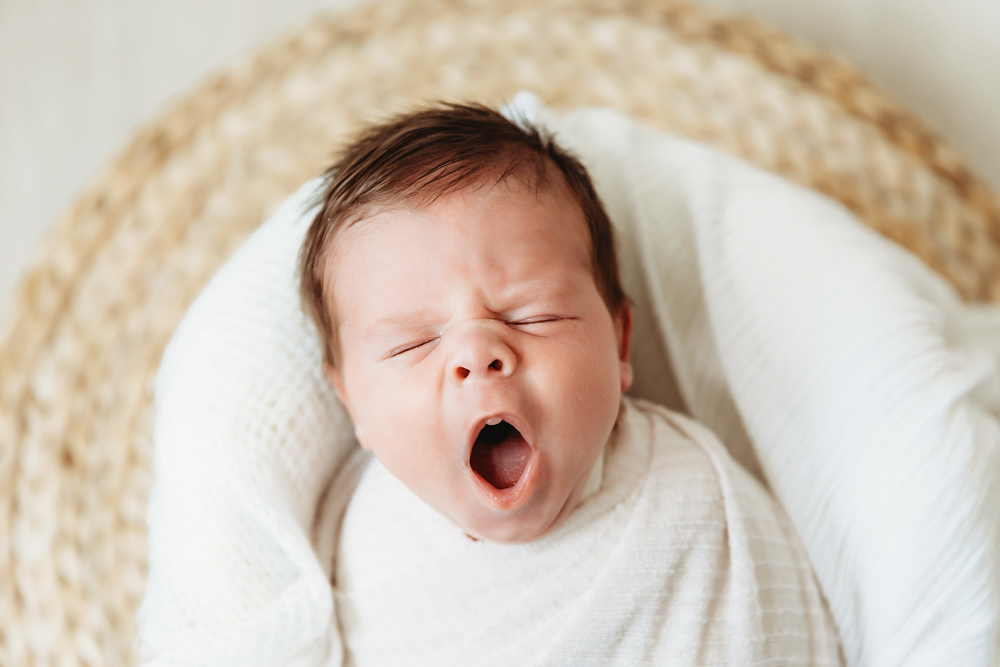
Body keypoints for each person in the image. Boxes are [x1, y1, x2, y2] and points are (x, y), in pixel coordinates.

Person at [298, 102, 842, 665]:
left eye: (534, 316)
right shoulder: (359, 551)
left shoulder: (699, 510)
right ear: (351, 403)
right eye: (412, 343)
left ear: (620, 342)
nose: (478, 355)